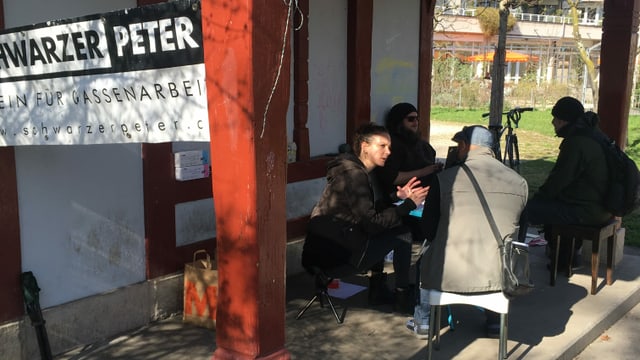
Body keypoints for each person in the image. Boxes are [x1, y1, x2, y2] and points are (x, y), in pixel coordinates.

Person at [406, 125, 528, 338]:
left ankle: (424, 321)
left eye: (458, 146)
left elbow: (428, 230)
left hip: (448, 273)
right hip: (499, 275)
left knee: (425, 256)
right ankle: (493, 322)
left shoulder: (444, 179)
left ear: (464, 145)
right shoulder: (520, 182)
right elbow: (520, 232)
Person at [304, 122, 429, 312]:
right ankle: (402, 295)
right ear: (364, 146)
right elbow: (372, 223)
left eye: (389, 147)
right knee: (403, 233)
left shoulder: (349, 170)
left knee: (389, 228)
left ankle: (378, 289)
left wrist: (397, 197)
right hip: (338, 257)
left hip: (321, 253)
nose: (388, 152)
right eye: (382, 146)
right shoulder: (356, 175)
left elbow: (365, 212)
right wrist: (409, 205)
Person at [520, 96, 612, 268]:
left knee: (528, 210)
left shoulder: (576, 143)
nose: (552, 122)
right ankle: (566, 254)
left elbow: (558, 181)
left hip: (588, 211)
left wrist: (536, 200)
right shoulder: (594, 135)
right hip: (603, 207)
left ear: (564, 121)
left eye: (555, 118)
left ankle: (560, 259)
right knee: (552, 205)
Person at [374, 102, 443, 242]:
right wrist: (424, 171)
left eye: (417, 119)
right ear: (399, 121)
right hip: (402, 203)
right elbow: (391, 178)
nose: (415, 122)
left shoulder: (419, 142)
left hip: (425, 198)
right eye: (410, 119)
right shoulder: (392, 145)